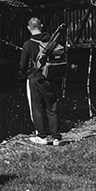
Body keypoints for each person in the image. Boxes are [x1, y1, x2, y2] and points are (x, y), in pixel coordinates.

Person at [17, 17, 67, 145]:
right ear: (41, 26)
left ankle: (42, 136)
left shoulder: (28, 44)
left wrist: (23, 73)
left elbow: (22, 65)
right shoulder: (51, 41)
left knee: (37, 107)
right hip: (50, 77)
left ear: (29, 28)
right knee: (51, 106)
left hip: (35, 78)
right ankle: (56, 137)